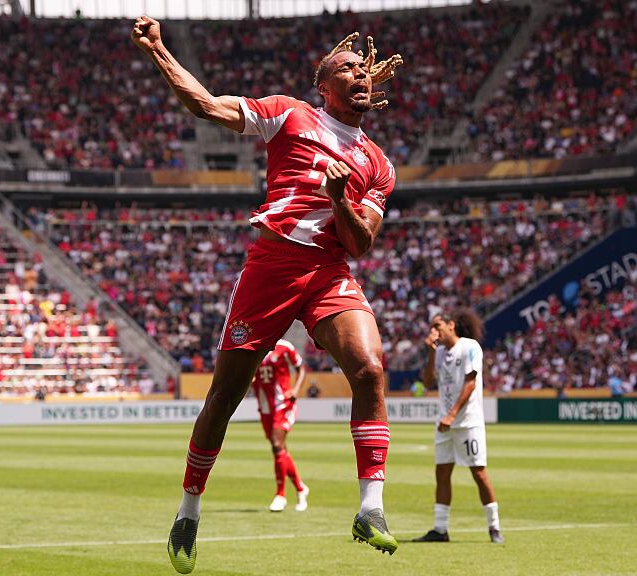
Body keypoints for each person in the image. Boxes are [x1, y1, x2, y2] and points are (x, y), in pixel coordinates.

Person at [132, 17, 405, 573]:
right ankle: (188, 510)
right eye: (346, 68)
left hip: (328, 269)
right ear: (322, 84)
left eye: (363, 69)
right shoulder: (289, 113)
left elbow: (361, 242)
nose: (359, 74)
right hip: (273, 262)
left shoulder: (378, 164)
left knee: (371, 370)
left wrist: (338, 197)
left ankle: (370, 509)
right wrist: (159, 48)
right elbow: (206, 105)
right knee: (226, 395)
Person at [414, 310, 504, 544]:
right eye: (431, 327)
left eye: (437, 326)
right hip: (444, 424)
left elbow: (471, 382)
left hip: (467, 422)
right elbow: (427, 382)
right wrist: (431, 353)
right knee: (442, 473)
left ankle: (494, 527)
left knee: (479, 473)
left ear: (451, 325)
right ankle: (440, 529)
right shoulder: (440, 351)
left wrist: (452, 415)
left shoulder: (470, 347)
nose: (433, 331)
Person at [251, 339, 310, 512]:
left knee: (277, 445)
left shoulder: (285, 346)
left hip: (283, 402)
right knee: (280, 449)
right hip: (265, 406)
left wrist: (296, 390)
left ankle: (280, 495)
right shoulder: (254, 346)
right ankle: (300, 488)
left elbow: (301, 368)